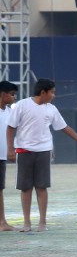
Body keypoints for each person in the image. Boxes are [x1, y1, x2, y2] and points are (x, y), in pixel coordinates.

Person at [7, 78, 77, 232]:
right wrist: (10, 149)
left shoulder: (51, 109)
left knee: (42, 187)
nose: (54, 95)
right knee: (25, 188)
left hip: (43, 151)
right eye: (52, 92)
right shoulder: (22, 105)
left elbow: (65, 128)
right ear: (43, 92)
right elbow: (11, 127)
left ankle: (42, 223)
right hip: (24, 151)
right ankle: (27, 223)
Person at [0, 81, 19, 231]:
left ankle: (2, 221)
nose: (14, 97)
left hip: (1, 157)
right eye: (12, 94)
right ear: (2, 94)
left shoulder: (9, 112)